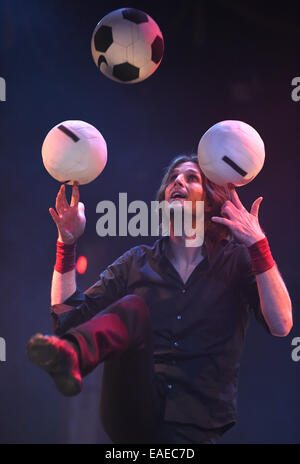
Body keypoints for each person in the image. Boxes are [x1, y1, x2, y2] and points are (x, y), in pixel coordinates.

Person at [27, 154, 293, 444]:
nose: (177, 181)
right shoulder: (136, 262)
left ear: (210, 203)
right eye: (172, 179)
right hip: (131, 412)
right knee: (132, 307)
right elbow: (67, 320)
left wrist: (258, 245)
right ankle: (75, 354)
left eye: (191, 178)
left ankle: (75, 353)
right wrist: (66, 245)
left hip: (197, 425)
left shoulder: (237, 262)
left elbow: (281, 324)